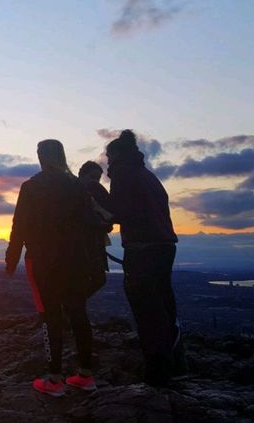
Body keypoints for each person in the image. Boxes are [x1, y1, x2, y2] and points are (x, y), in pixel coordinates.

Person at [5, 140, 99, 397]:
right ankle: (85, 375)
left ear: (40, 156)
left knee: (50, 316)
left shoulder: (31, 187)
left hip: (44, 261)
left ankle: (54, 379)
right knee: (79, 313)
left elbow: (19, 226)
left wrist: (11, 260)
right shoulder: (78, 187)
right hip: (77, 260)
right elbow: (93, 223)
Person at [105, 130, 187, 386]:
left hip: (142, 251)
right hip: (165, 247)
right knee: (164, 306)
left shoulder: (122, 173)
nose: (107, 163)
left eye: (109, 157)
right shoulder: (148, 176)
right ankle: (177, 364)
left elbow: (117, 212)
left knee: (147, 310)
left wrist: (95, 207)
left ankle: (157, 371)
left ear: (117, 155)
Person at [78, 161, 113, 295]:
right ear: (82, 175)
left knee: (97, 279)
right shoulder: (75, 193)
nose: (95, 182)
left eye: (98, 179)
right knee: (96, 279)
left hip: (95, 243)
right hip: (86, 245)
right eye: (92, 177)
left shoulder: (96, 191)